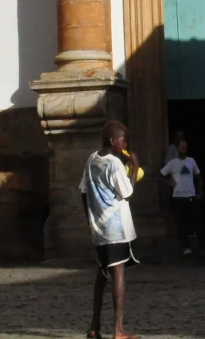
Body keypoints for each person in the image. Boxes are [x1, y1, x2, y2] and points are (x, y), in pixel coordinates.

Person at [82, 119, 141, 339]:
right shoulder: (114, 164)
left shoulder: (91, 160)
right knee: (118, 272)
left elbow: (83, 191)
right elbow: (127, 192)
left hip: (99, 227)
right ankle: (118, 330)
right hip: (115, 228)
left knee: (102, 274)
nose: (125, 143)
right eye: (123, 139)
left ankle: (94, 325)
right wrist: (134, 166)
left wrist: (89, 221)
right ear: (112, 140)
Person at [161, 137, 205, 256]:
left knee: (198, 222)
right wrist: (169, 183)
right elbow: (161, 175)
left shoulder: (191, 161)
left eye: (185, 148)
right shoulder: (172, 163)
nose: (184, 150)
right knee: (181, 223)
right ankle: (185, 247)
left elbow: (198, 177)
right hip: (178, 197)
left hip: (191, 195)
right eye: (182, 147)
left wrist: (200, 192)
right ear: (177, 149)